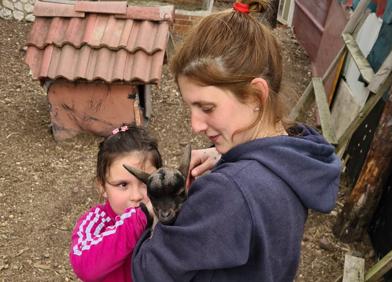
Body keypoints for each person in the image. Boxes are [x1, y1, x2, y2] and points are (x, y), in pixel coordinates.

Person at [132, 0, 341, 281]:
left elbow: (149, 272)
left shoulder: (229, 192)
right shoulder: (298, 160)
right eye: (190, 108)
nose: (195, 125)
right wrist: (231, 159)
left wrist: (160, 212)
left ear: (256, 96)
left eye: (207, 108)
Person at [69, 124, 162, 282]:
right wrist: (140, 218)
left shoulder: (167, 218)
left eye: (146, 182)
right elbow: (83, 265)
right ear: (102, 187)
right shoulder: (95, 223)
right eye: (123, 185)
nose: (136, 196)